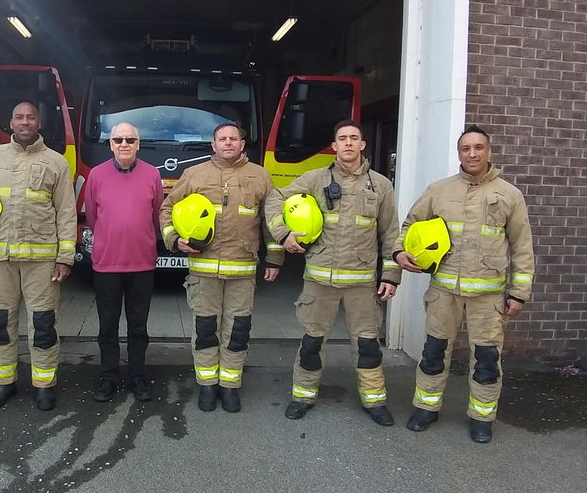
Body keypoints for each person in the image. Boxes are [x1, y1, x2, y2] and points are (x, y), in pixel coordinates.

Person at [394, 124, 535, 443]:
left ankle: (482, 417)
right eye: (466, 148)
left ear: (489, 152)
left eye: (478, 148)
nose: (472, 153)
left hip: (489, 296)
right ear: (459, 153)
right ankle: (425, 408)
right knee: (433, 352)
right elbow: (410, 224)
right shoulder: (439, 190)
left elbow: (522, 246)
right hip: (443, 292)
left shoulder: (509, 195)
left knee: (486, 359)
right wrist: (400, 251)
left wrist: (519, 293)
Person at [264, 120, 402, 424]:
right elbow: (275, 198)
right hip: (319, 280)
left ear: (362, 145)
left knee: (367, 345)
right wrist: (283, 234)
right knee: (312, 342)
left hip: (361, 283)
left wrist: (391, 276)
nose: (349, 143)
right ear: (334, 146)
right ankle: (302, 396)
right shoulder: (315, 179)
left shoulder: (380, 185)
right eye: (343, 138)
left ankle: (375, 401)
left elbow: (391, 234)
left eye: (355, 138)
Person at [0, 101, 77, 412]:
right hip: (0, 259)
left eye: (31, 117)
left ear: (39, 122)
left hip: (42, 261)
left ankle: (44, 385)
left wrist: (65, 257)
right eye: (19, 117)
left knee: (44, 325)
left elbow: (66, 213)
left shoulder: (56, 162)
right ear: (11, 122)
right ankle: (2, 383)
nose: (25, 122)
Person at [158, 122, 283, 413]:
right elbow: (167, 209)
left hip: (242, 270)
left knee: (237, 331)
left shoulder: (260, 177)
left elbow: (270, 220)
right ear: (213, 145)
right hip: (203, 273)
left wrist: (275, 258)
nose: (228, 143)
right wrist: (174, 240)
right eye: (222, 139)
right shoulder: (194, 175)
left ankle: (230, 387)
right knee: (205, 330)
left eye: (233, 138)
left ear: (242, 144)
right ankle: (207, 385)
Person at [85, 122, 165, 403]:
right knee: (107, 326)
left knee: (138, 327)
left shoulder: (152, 175)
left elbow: (156, 216)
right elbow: (93, 217)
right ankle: (108, 377)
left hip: (142, 264)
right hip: (107, 264)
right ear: (110, 144)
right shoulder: (96, 175)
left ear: (138, 144)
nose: (124, 144)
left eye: (130, 139)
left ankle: (137, 377)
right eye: (118, 139)